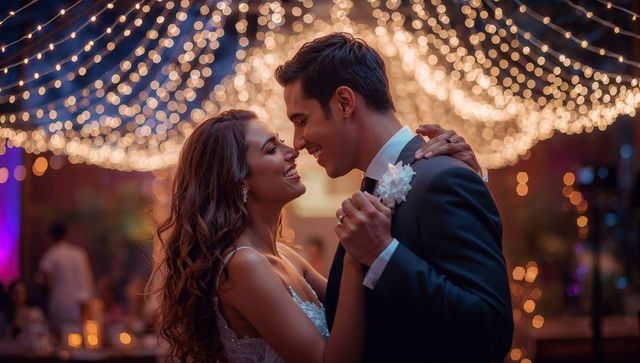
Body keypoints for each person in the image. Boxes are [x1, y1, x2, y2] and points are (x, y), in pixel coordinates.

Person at [155, 109, 475, 362]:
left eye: (280, 140)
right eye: (271, 149)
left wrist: (461, 179)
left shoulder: (285, 256)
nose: (292, 150)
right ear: (239, 180)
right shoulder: (244, 264)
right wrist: (353, 256)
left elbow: (369, 305)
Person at [276, 32, 513, 362]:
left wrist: (384, 253)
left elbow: (490, 330)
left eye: (302, 121)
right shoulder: (376, 186)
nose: (297, 141)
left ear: (344, 102)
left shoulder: (443, 179)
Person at [38, 222, 95, 331]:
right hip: (80, 306)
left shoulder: (51, 255)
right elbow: (86, 281)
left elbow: (46, 279)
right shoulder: (79, 253)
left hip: (60, 305)